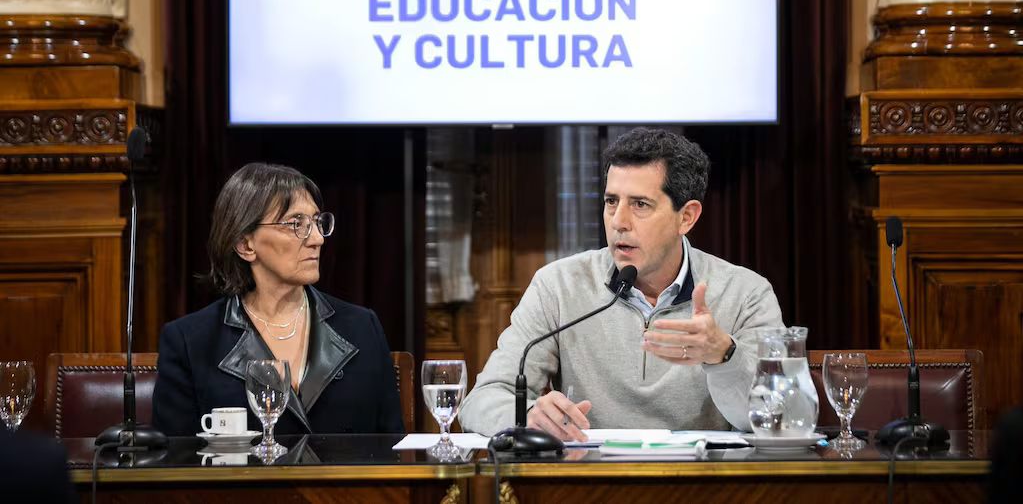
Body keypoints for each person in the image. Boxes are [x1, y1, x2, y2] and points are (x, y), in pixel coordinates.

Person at [459, 127, 784, 440]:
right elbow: (483, 401)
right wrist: (528, 416)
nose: (618, 222)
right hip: (590, 473)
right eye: (611, 201)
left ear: (686, 217)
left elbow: (777, 417)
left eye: (640, 204)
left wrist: (724, 355)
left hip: (702, 475)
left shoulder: (746, 293)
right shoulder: (559, 285)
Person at [153, 163, 403, 436]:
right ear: (245, 245)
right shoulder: (191, 342)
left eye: (317, 222)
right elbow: (177, 455)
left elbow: (392, 447)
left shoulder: (363, 328)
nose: (317, 239)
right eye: (296, 224)